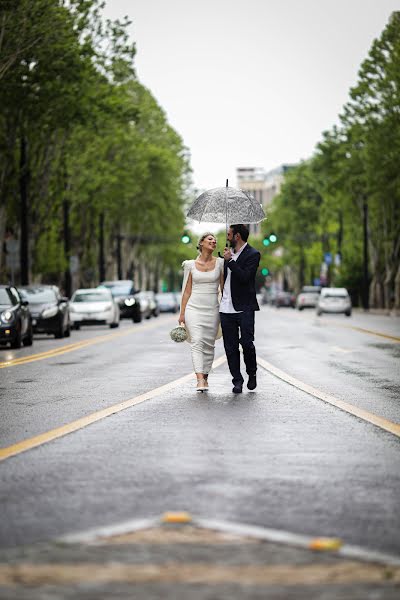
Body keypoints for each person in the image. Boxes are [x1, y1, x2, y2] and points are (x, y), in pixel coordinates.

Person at [179, 233, 224, 392]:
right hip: (193, 308)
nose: (213, 241)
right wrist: (182, 313)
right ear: (201, 243)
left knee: (208, 345)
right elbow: (186, 291)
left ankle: (205, 376)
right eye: (210, 239)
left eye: (214, 240)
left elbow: (224, 290)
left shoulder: (220, 263)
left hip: (212, 308)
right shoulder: (190, 265)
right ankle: (199, 380)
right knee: (197, 341)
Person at [220, 224, 260, 393]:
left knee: (247, 343)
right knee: (230, 347)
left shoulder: (253, 254)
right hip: (225, 307)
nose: (227, 236)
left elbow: (245, 277)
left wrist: (231, 261)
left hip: (244, 307)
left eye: (229, 234)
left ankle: (252, 373)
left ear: (237, 236)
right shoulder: (226, 254)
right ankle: (237, 380)